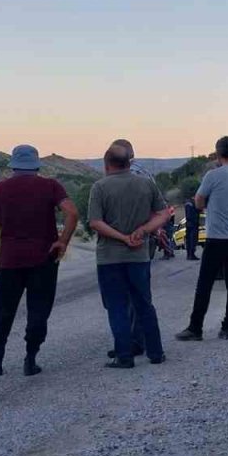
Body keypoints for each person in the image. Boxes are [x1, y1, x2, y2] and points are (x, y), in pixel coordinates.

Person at [0, 145, 80, 377]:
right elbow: (72, 213)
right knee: (38, 310)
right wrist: (62, 242)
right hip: (43, 261)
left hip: (9, 260)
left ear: (13, 165)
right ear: (36, 165)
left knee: (2, 311)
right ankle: (30, 360)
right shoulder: (51, 186)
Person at [89, 143, 169, 368]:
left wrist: (122, 238)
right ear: (128, 162)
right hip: (139, 256)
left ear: (107, 163)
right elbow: (163, 213)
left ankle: (124, 356)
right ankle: (156, 352)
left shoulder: (99, 187)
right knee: (144, 304)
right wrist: (143, 230)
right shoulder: (145, 184)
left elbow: (95, 222)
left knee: (117, 306)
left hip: (109, 258)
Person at [176, 136, 228, 341]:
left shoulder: (213, 175)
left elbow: (199, 202)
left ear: (218, 154)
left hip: (218, 237)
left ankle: (195, 328)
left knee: (205, 283)